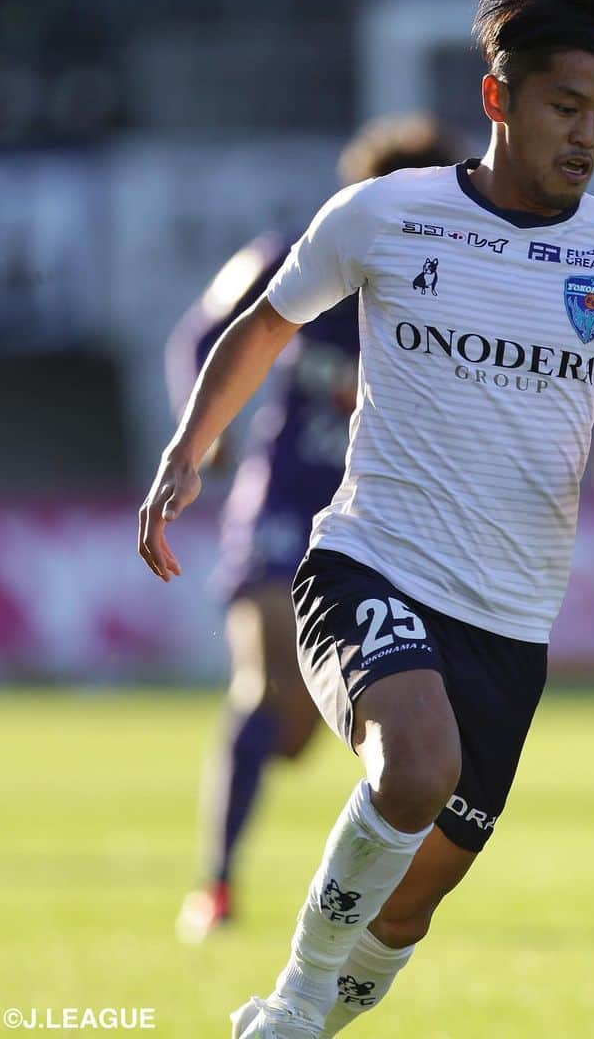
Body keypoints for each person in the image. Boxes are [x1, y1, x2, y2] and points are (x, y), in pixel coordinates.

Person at [138, 0, 594, 1036]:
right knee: (415, 766)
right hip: (369, 563)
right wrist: (188, 449)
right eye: (565, 108)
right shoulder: (387, 215)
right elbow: (262, 324)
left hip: (510, 618)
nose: (587, 137)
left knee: (411, 907)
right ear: (499, 99)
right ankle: (292, 1005)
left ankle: (312, 1024)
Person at [165, 116, 463, 944]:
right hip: (285, 504)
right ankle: (217, 886)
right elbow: (202, 333)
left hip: (382, 524)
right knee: (264, 690)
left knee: (299, 735)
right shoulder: (301, 252)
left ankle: (381, 889)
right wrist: (207, 429)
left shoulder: (455, 285)